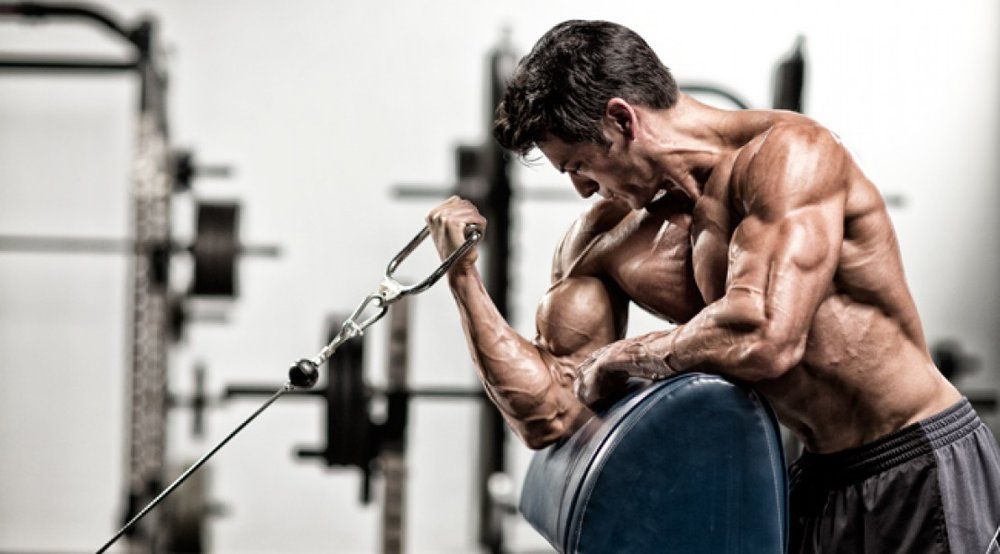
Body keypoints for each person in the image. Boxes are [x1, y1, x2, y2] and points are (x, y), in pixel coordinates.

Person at [426, 19, 1000, 553]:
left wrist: (627, 356)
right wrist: (463, 278)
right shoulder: (606, 238)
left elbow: (766, 336)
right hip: (815, 481)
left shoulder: (790, 156)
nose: (581, 190)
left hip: (914, 456)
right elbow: (551, 414)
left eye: (579, 164)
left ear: (622, 120)